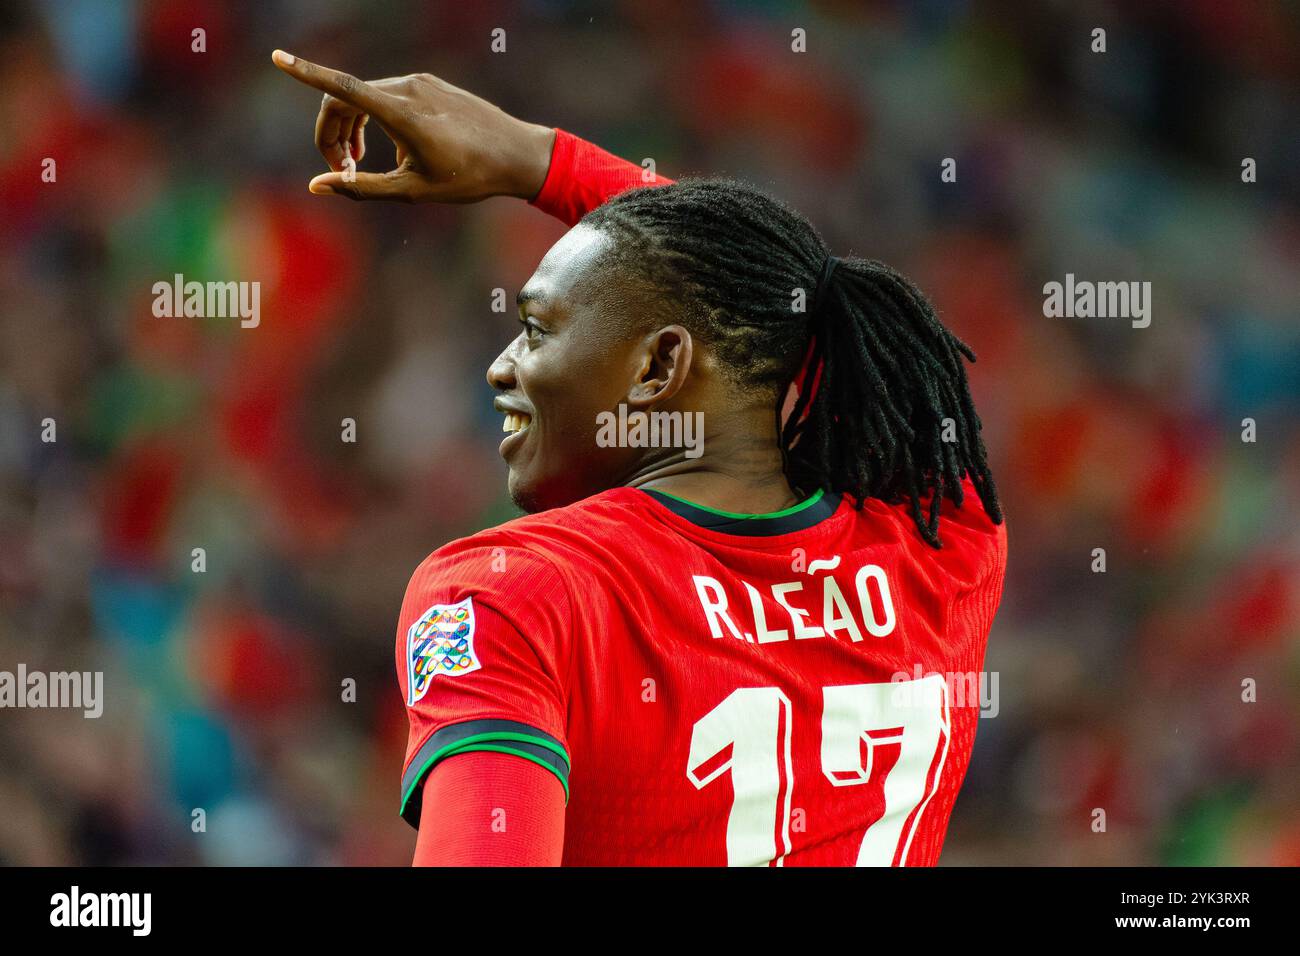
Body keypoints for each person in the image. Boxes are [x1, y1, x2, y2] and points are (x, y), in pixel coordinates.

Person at [272, 50, 1007, 866]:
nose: (502, 365)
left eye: (539, 328)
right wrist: (534, 159)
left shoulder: (516, 594)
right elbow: (800, 312)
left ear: (660, 367)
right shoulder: (942, 543)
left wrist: (534, 160)